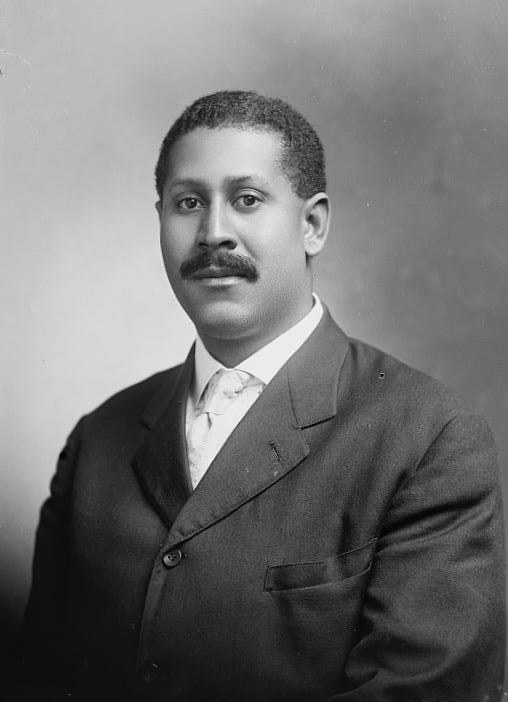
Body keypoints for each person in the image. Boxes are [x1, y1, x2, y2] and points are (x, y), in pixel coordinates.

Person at [21, 90, 505, 701]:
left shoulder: (429, 436)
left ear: (312, 224)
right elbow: (37, 677)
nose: (213, 232)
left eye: (247, 200)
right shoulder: (98, 438)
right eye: (187, 202)